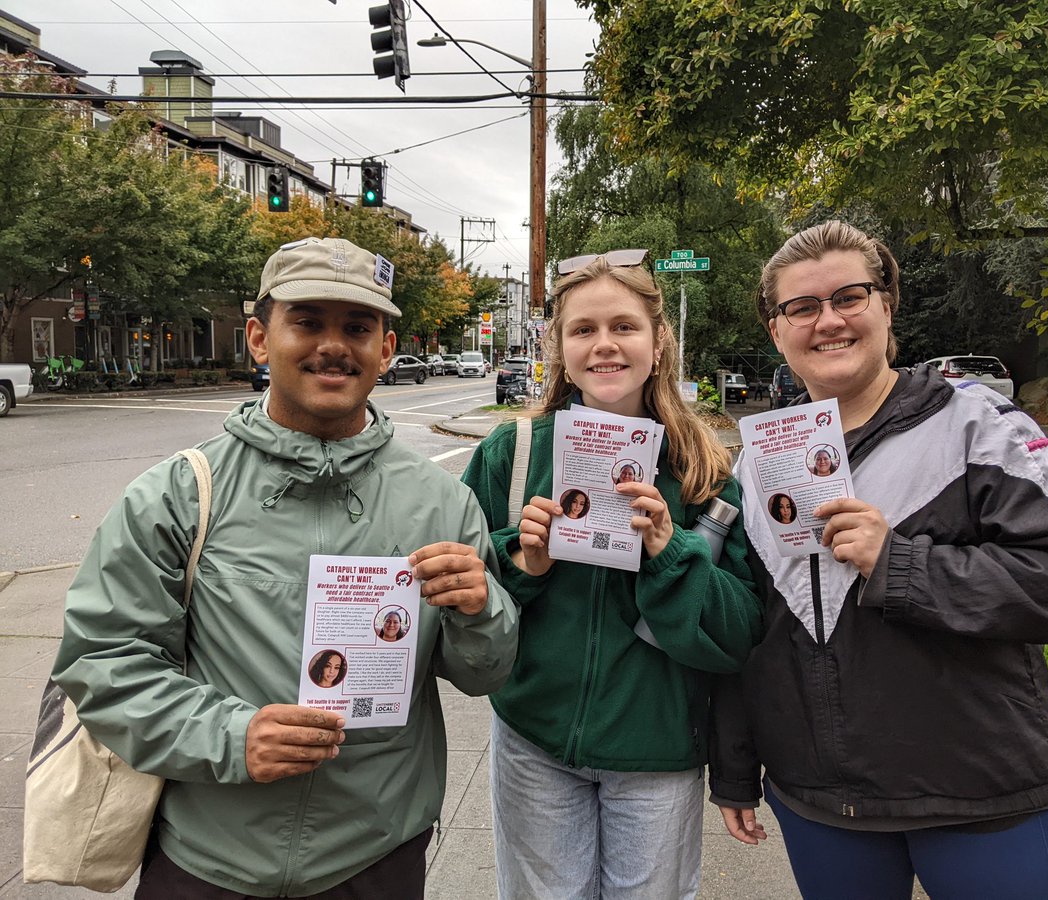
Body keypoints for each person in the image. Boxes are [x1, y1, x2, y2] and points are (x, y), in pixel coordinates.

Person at [53, 236, 519, 898]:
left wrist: (482, 610)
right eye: (307, 322)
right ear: (258, 338)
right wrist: (232, 735)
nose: (334, 344)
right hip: (208, 858)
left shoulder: (444, 502)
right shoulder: (181, 493)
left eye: (357, 327)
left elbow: (484, 673)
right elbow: (102, 665)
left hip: (376, 854)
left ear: (386, 349)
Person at [710, 221, 1048, 899]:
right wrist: (735, 766)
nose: (827, 321)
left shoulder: (977, 424)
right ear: (776, 332)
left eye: (849, 297)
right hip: (824, 805)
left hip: (980, 797)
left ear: (887, 306)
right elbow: (755, 629)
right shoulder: (758, 462)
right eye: (802, 307)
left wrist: (897, 562)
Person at [461, 249, 764, 899]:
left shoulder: (703, 475)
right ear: (559, 347)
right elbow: (456, 601)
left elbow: (740, 632)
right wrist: (524, 562)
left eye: (623, 327)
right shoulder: (510, 455)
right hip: (534, 745)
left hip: (656, 753)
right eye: (583, 329)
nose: (604, 345)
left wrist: (668, 550)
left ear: (658, 343)